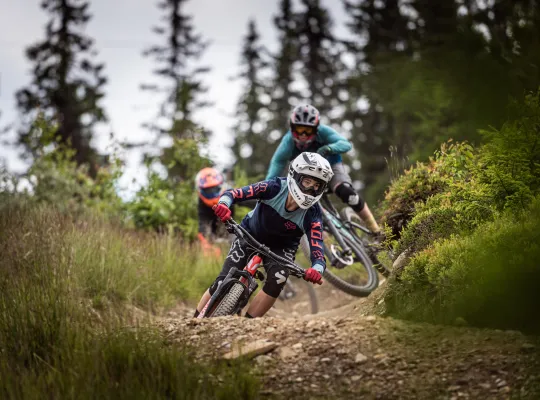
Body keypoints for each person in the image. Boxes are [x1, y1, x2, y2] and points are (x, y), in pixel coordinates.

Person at [194, 152, 334, 318]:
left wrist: (317, 269)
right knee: (221, 282)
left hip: (281, 248)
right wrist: (224, 204)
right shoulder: (274, 187)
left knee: (277, 282)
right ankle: (195, 322)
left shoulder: (313, 213)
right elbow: (233, 193)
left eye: (317, 185)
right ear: (294, 176)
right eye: (307, 181)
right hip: (249, 234)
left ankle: (248, 324)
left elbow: (318, 251)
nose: (311, 190)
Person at [266, 104, 383, 238]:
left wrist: (329, 149)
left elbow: (346, 144)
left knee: (347, 193)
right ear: (292, 128)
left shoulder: (323, 131)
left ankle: (376, 231)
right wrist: (269, 188)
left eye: (308, 130)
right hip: (307, 175)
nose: (303, 135)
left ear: (316, 128)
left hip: (331, 167)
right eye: (299, 129)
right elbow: (277, 164)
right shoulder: (288, 142)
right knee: (300, 206)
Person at [195, 167, 231, 257]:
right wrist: (208, 241)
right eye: (208, 190)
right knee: (206, 246)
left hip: (230, 229)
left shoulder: (229, 193)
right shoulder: (201, 201)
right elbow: (203, 221)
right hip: (211, 232)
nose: (211, 193)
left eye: (214, 189)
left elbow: (247, 200)